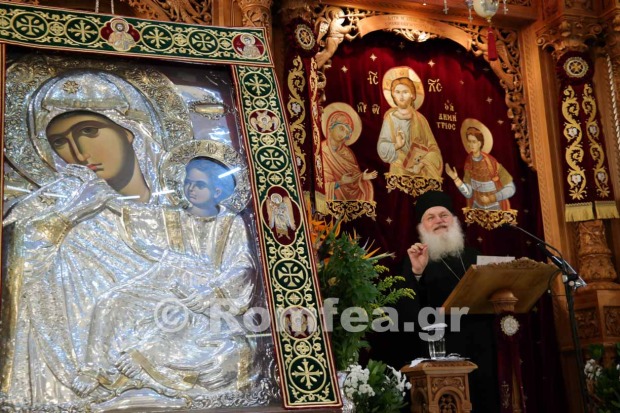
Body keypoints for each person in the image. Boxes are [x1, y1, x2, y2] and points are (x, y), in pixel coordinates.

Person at [1, 70, 167, 407]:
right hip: (70, 375)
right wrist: (69, 215)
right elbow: (21, 266)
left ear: (129, 131)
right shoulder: (52, 206)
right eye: (59, 142)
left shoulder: (182, 213)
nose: (77, 153)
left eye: (88, 131)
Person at [80, 156, 258, 398]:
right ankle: (94, 370)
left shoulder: (230, 223)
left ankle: (142, 357)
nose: (191, 189)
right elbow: (135, 214)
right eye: (188, 182)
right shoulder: (172, 216)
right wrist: (102, 192)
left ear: (217, 191)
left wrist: (209, 294)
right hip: (165, 282)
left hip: (208, 300)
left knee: (177, 316)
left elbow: (243, 267)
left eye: (200, 185)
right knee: (109, 302)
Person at [401, 190, 499, 412]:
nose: (439, 221)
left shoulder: (474, 256)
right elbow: (408, 310)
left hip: (482, 346)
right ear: (421, 227)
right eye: (431, 217)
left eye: (444, 215)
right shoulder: (415, 259)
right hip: (442, 350)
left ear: (454, 220)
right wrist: (417, 273)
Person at [377, 68, 443, 183]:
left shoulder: (421, 119)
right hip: (398, 172)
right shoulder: (390, 119)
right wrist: (397, 145)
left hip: (419, 172)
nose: (401, 96)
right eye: (397, 92)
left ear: (412, 95)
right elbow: (381, 146)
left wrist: (421, 164)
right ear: (393, 95)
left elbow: (433, 149)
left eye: (405, 92)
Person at [445, 118, 515, 210]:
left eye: (474, 142)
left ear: (480, 143)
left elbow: (511, 188)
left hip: (495, 209)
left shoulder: (492, 163)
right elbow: (469, 193)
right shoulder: (468, 163)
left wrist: (492, 198)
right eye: (469, 141)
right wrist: (456, 179)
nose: (471, 145)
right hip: (477, 209)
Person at [321, 102, 377, 202]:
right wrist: (341, 182)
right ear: (331, 126)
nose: (343, 134)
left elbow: (353, 177)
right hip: (330, 198)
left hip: (347, 198)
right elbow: (320, 185)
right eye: (341, 128)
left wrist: (362, 177)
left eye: (346, 132)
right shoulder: (322, 150)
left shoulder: (347, 153)